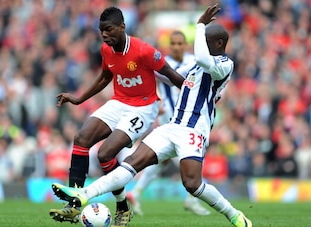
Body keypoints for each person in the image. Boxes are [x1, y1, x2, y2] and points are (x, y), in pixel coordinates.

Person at [51, 3, 252, 227]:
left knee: (192, 184)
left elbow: (204, 60)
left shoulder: (225, 65)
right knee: (130, 164)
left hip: (193, 130)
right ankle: (83, 195)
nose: (198, 48)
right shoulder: (196, 67)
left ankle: (233, 214)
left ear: (219, 43)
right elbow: (173, 78)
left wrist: (200, 26)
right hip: (171, 127)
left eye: (203, 43)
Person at [49, 6, 185, 227]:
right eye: (101, 30)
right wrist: (79, 98)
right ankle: (74, 204)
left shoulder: (143, 50)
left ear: (122, 27)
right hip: (118, 102)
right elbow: (105, 76)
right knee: (81, 139)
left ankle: (121, 205)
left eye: (109, 29)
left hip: (143, 107)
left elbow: (171, 75)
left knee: (105, 153)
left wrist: (198, 96)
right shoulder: (106, 50)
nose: (104, 35)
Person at [126, 30, 210, 216]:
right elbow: (148, 83)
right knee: (193, 157)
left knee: (161, 161)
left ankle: (136, 193)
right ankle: (192, 199)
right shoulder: (162, 63)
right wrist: (155, 102)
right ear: (169, 45)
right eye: (174, 43)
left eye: (180, 43)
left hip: (191, 118)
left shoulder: (193, 61)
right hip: (171, 119)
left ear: (186, 45)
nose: (177, 47)